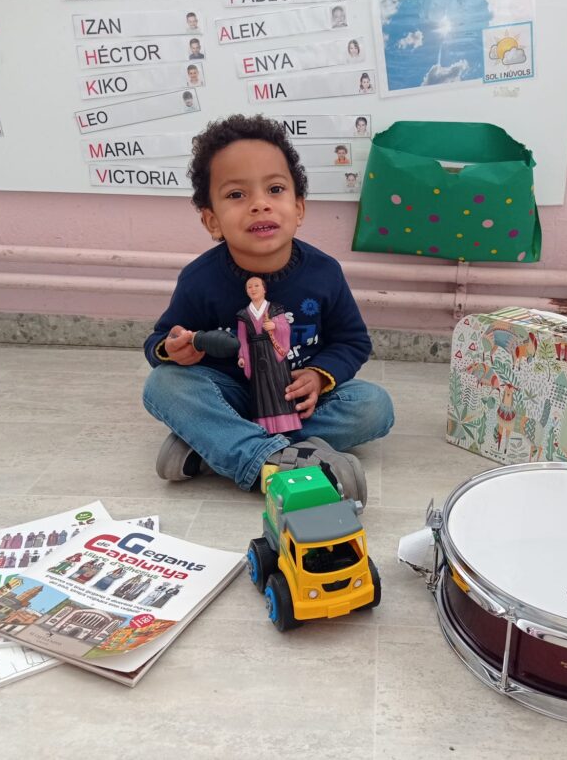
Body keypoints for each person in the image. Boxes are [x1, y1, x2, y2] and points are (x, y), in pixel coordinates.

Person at [142, 114, 393, 501]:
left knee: (374, 406)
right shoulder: (199, 278)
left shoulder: (324, 272)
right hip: (231, 397)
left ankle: (213, 448)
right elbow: (159, 342)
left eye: (275, 189)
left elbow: (352, 342)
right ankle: (270, 457)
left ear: (299, 208)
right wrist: (173, 348)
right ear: (212, 221)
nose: (259, 205)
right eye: (236, 195)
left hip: (294, 399)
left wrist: (319, 376)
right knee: (164, 385)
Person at [237, 276, 301, 433]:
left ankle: (287, 424)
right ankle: (264, 425)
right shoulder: (243, 314)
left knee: (279, 385)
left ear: (264, 289)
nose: (253, 289)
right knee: (261, 391)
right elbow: (242, 339)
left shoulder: (275, 309)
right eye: (249, 287)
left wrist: (275, 325)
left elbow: (285, 328)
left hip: (273, 352)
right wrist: (242, 356)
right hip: (255, 354)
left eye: (256, 285)